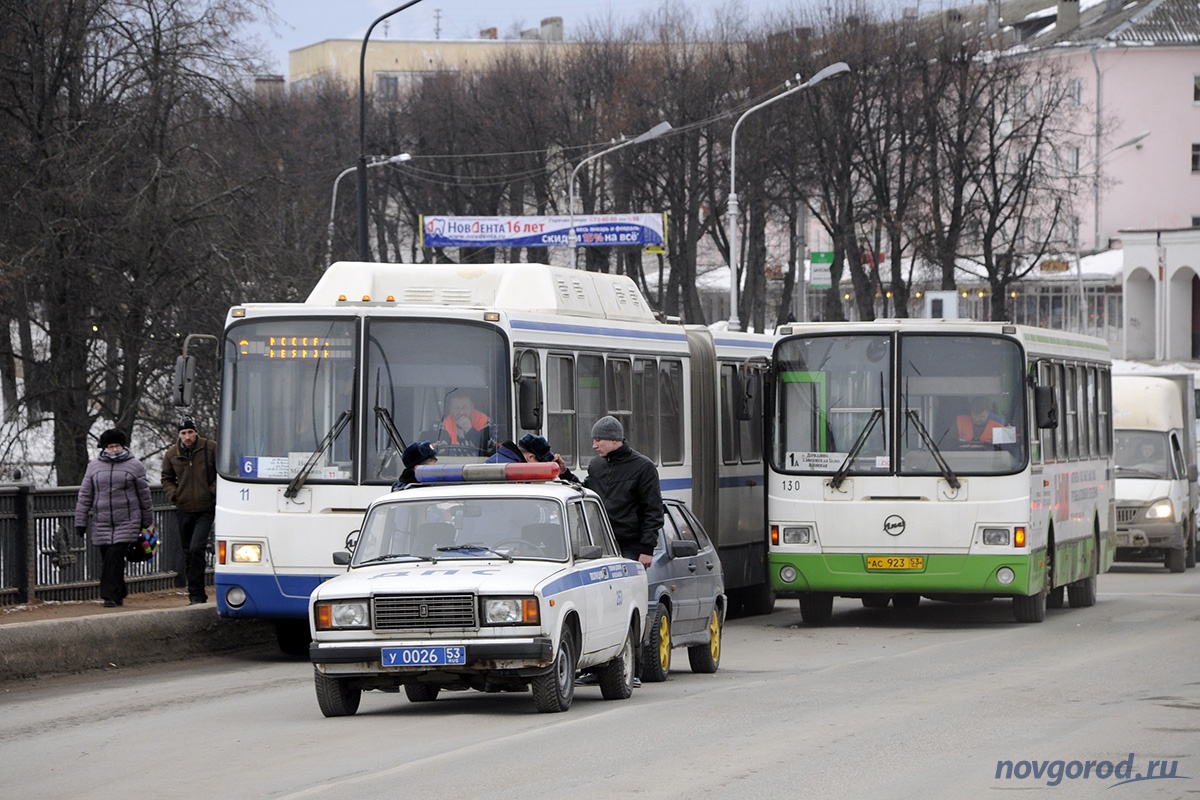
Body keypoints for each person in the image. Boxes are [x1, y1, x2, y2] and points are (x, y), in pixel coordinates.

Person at [74, 429, 154, 608]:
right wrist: (80, 521)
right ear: (104, 448)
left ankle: (108, 595)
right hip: (102, 521)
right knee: (109, 559)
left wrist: (146, 522)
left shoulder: (135, 466)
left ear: (123, 446)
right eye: (110, 446)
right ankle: (119, 591)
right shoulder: (94, 467)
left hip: (127, 520)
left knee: (115, 555)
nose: (114, 450)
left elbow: (144, 495)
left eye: (117, 446)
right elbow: (85, 494)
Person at [584, 416, 661, 567]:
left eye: (598, 440)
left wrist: (647, 549)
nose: (594, 445)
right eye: (593, 440)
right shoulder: (596, 465)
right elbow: (586, 491)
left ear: (614, 439)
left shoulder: (643, 467)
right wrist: (565, 473)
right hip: (600, 545)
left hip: (630, 547)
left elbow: (653, 510)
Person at [161, 415, 217, 605]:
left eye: (190, 432)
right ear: (179, 434)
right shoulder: (171, 454)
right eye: (183, 433)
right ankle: (195, 594)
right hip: (184, 508)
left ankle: (197, 593)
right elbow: (166, 478)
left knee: (196, 548)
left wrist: (211, 492)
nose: (187, 436)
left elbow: (222, 471)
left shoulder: (210, 448)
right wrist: (175, 495)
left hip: (205, 508)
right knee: (188, 552)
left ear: (196, 432)